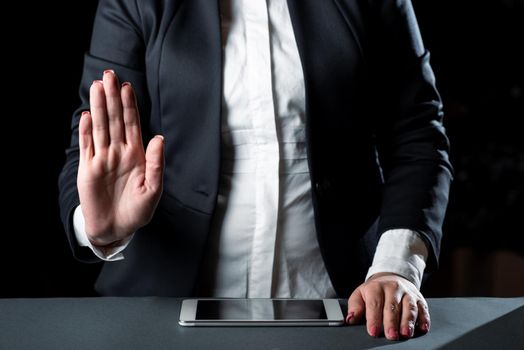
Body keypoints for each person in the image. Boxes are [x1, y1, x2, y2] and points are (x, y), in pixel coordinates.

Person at [59, 0, 452, 341]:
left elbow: (417, 135)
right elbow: (95, 138)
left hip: (347, 310)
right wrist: (97, 226)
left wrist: (395, 267)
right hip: (162, 318)